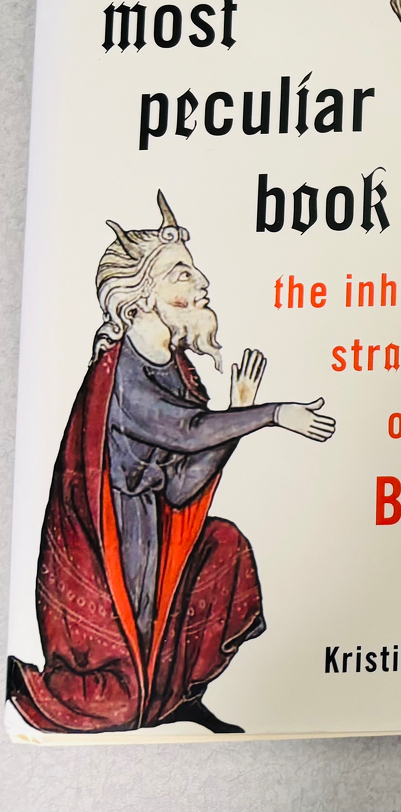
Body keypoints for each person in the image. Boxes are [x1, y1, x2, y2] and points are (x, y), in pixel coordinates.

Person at [6, 193, 336, 734]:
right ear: (140, 298)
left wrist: (234, 417)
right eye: (182, 274)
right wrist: (268, 414)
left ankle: (177, 695)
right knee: (117, 698)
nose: (200, 283)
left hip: (150, 536)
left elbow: (182, 485)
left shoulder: (178, 371)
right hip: (107, 550)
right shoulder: (122, 373)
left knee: (224, 548)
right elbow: (186, 430)